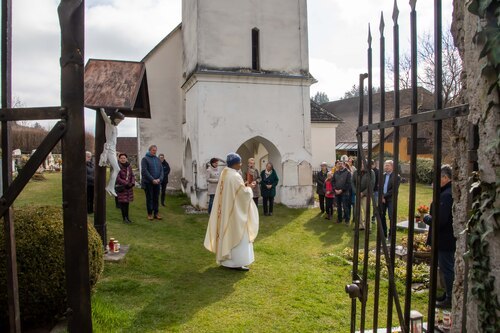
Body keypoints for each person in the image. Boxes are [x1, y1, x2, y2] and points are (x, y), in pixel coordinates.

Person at [204, 152, 259, 271]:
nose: (241, 164)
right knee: (238, 234)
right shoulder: (234, 176)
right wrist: (250, 188)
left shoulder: (225, 173)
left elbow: (233, 190)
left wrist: (244, 185)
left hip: (226, 210)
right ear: (235, 164)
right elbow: (243, 195)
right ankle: (237, 262)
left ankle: (227, 261)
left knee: (227, 233)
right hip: (234, 213)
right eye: (239, 162)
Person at [423, 165, 456, 309]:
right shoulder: (447, 192)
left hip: (445, 239)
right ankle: (448, 294)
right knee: (444, 267)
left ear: (445, 178)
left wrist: (427, 218)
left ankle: (450, 298)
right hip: (444, 238)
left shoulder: (447, 195)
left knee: (447, 268)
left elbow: (440, 220)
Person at [98, 108, 124, 197]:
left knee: (117, 169)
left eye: (120, 121)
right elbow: (105, 116)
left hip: (113, 149)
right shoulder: (109, 124)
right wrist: (102, 110)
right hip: (109, 150)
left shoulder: (114, 127)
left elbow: (114, 114)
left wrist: (116, 110)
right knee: (117, 169)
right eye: (118, 120)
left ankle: (110, 187)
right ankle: (110, 187)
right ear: (114, 119)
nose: (119, 122)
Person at [141, 145, 164, 220]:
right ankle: (150, 214)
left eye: (155, 150)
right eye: (153, 150)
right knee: (149, 198)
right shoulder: (145, 159)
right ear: (149, 150)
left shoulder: (157, 159)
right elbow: (145, 171)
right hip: (148, 183)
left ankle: (156, 213)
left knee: (156, 198)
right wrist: (152, 179)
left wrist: (159, 179)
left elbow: (162, 171)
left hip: (157, 182)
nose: (155, 151)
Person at [352, 162, 375, 230]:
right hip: (357, 194)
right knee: (357, 211)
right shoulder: (356, 172)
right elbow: (352, 182)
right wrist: (356, 192)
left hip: (366, 195)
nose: (361, 166)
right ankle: (360, 225)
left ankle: (368, 226)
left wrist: (363, 193)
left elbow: (372, 184)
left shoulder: (371, 172)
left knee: (366, 211)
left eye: (362, 164)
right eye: (360, 164)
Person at [380, 160, 400, 238]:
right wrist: (382, 196)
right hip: (382, 199)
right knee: (381, 215)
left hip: (391, 199)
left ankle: (391, 234)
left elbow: (394, 190)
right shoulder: (383, 175)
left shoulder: (396, 176)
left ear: (392, 167)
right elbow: (380, 187)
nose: (386, 167)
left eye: (388, 165)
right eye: (385, 165)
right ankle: (383, 233)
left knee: (391, 217)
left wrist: (384, 196)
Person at [116, 153, 135, 224]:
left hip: (129, 188)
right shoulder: (117, 167)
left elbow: (132, 175)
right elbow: (117, 178)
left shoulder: (129, 166)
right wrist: (126, 183)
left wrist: (132, 183)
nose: (123, 159)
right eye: (121, 158)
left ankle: (127, 217)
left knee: (127, 203)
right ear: (119, 159)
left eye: (124, 158)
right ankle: (124, 218)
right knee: (123, 204)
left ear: (126, 159)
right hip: (122, 188)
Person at [370, 159, 380, 224]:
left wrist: (374, 189)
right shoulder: (369, 171)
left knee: (375, 204)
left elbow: (378, 182)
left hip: (375, 191)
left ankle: (374, 217)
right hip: (368, 191)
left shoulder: (377, 171)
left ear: (373, 164)